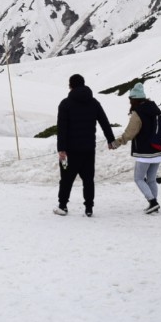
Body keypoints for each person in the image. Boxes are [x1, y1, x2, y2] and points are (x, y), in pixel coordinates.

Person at [54, 74, 115, 217]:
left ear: (71, 85)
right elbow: (104, 122)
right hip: (88, 149)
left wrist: (61, 149)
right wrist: (110, 140)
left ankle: (63, 206)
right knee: (88, 180)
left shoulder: (65, 103)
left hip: (69, 151)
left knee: (66, 179)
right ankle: (89, 208)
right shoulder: (94, 102)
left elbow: (61, 128)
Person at [109, 82, 161, 214]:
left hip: (145, 152)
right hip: (158, 150)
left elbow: (130, 133)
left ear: (134, 99)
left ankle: (152, 202)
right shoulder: (155, 109)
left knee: (139, 178)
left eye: (130, 99)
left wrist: (116, 143)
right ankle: (155, 203)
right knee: (151, 179)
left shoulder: (138, 113)